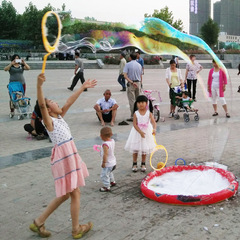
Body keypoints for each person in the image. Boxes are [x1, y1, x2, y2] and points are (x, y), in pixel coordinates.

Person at [29, 73, 97, 239]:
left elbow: (69, 101)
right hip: (64, 158)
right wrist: (39, 86)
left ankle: (39, 222)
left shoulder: (59, 117)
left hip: (69, 155)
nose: (57, 103)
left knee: (66, 194)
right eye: (53, 102)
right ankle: (76, 229)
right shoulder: (49, 122)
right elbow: (42, 107)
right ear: (48, 109)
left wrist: (81, 87)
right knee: (75, 193)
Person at [125, 95, 156, 172]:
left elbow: (153, 122)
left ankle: (143, 163)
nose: (141, 104)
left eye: (142, 102)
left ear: (146, 103)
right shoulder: (136, 113)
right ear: (136, 104)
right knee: (135, 149)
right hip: (137, 132)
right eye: (139, 103)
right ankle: (134, 163)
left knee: (144, 149)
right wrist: (140, 132)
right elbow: (134, 124)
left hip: (146, 132)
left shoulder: (149, 113)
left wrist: (154, 129)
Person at [123, 52, 142, 121]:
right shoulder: (139, 65)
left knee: (132, 100)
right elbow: (140, 75)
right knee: (138, 100)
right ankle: (139, 115)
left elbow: (125, 75)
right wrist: (140, 84)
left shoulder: (127, 65)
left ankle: (133, 116)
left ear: (130, 57)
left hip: (131, 83)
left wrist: (131, 82)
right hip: (138, 83)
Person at [99, 127, 117, 192]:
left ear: (101, 136)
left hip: (108, 163)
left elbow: (105, 154)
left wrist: (104, 162)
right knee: (109, 173)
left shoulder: (105, 144)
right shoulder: (112, 141)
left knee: (104, 175)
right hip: (113, 162)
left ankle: (107, 186)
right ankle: (112, 181)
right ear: (111, 134)